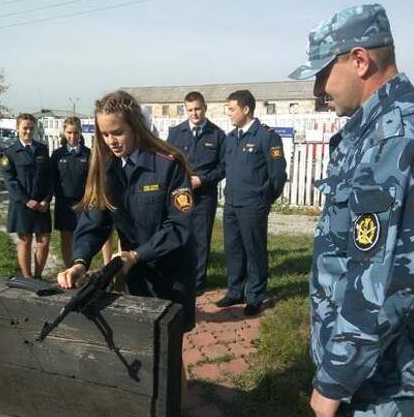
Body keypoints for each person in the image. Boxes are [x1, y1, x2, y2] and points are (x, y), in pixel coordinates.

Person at [289, 3, 414, 417]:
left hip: (385, 373)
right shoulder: (378, 130)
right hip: (368, 367)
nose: (317, 90)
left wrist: (333, 380)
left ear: (360, 60)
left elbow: (385, 287)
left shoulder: (401, 138)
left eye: (322, 73)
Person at [56, 90, 196, 334]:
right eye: (105, 134)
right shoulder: (107, 170)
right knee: (142, 342)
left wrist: (136, 255)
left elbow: (178, 227)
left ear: (135, 127)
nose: (111, 141)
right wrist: (79, 261)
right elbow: (95, 222)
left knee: (170, 351)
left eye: (118, 132)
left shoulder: (168, 165)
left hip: (171, 273)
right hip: (136, 276)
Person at [215, 89, 287, 316]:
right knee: (233, 249)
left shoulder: (266, 136)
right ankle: (236, 290)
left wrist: (264, 199)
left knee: (254, 250)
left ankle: (255, 296)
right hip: (232, 204)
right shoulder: (231, 138)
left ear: (246, 109)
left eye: (232, 109)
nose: (229, 113)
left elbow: (278, 175)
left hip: (253, 205)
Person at [167, 91, 225, 295]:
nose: (194, 113)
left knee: (200, 240)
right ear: (186, 110)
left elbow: (222, 167)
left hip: (204, 195)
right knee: (178, 235)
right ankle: (179, 277)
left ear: (205, 108)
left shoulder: (217, 135)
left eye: (198, 109)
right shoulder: (175, 133)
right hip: (179, 194)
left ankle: (197, 284)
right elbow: (168, 162)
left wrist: (203, 179)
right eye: (190, 110)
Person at [2, 113, 52, 278]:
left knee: (44, 242)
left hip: (41, 205)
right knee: (25, 241)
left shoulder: (42, 149)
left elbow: (49, 178)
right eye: (25, 128)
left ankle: (38, 276)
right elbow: (10, 182)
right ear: (17, 129)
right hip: (22, 205)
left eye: (31, 128)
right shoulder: (9, 153)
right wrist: (26, 200)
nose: (28, 131)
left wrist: (46, 200)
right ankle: (27, 277)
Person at [50, 117, 91, 267]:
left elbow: (91, 181)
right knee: (66, 238)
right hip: (64, 204)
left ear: (80, 133)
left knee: (82, 238)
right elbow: (52, 179)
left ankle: (80, 270)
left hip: (83, 203)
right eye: (69, 132)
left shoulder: (88, 154)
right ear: (64, 132)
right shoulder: (57, 155)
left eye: (76, 132)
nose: (72, 136)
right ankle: (69, 268)